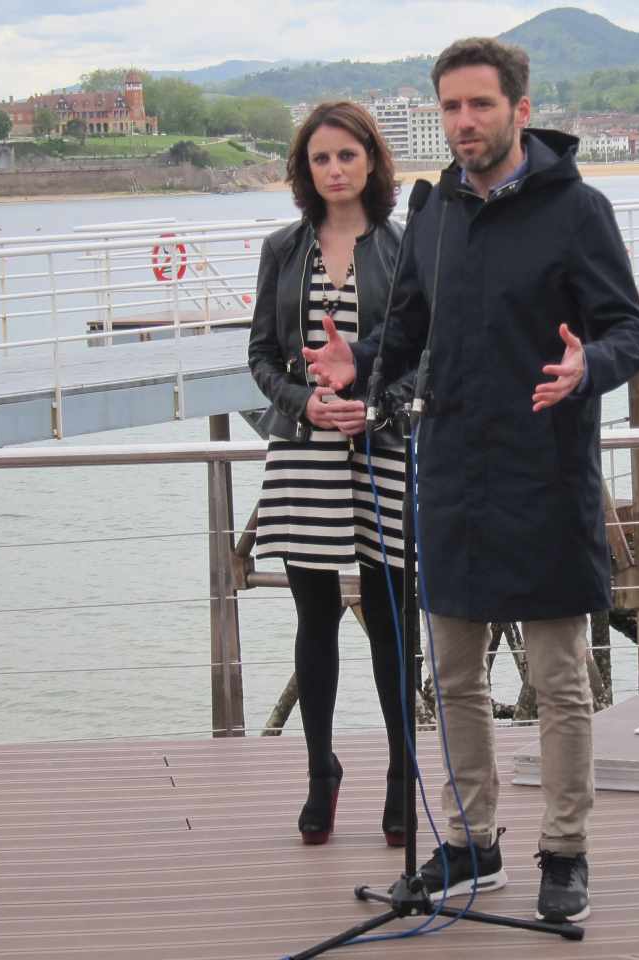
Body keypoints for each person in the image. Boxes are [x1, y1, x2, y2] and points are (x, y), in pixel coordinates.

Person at [302, 38, 639, 924]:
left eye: (480, 107)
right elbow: (410, 335)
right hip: (450, 475)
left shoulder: (580, 211)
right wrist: (360, 361)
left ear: (519, 110)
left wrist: (589, 369)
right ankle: (471, 842)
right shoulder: (435, 214)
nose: (463, 123)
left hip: (544, 471)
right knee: (452, 678)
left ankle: (565, 850)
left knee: (558, 680)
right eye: (450, 108)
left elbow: (630, 331)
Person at [247, 101, 411, 849]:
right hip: (305, 447)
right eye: (321, 158)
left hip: (381, 445)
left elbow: (422, 356)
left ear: (371, 161)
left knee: (389, 620)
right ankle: (321, 770)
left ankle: (401, 776)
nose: (335, 169)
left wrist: (372, 410)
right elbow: (258, 354)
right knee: (314, 618)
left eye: (348, 155)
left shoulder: (404, 250)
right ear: (304, 170)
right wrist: (304, 406)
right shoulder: (283, 249)